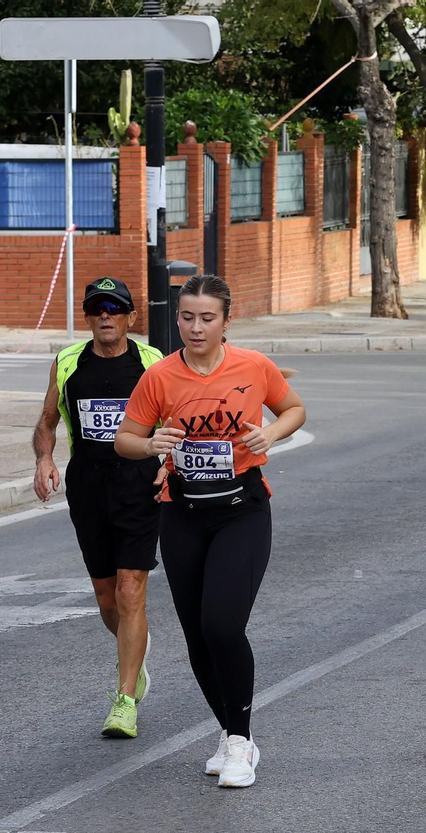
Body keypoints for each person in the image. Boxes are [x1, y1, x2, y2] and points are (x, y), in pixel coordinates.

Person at [114, 274, 307, 789]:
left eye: (206, 318)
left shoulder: (253, 366)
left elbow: (294, 409)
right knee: (198, 635)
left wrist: (270, 432)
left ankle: (241, 742)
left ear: (226, 321)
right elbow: (125, 439)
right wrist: (152, 444)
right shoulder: (160, 376)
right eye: (186, 317)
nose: (195, 327)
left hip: (242, 510)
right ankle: (230, 732)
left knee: (222, 625)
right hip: (181, 514)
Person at [32, 277, 164, 740]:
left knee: (130, 591)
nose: (105, 316)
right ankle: (135, 651)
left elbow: (178, 418)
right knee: (107, 598)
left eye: (115, 308)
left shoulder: (152, 362)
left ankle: (124, 702)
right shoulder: (68, 362)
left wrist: (172, 465)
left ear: (131, 317)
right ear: (87, 317)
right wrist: (44, 459)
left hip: (140, 485)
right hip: (88, 487)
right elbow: (47, 420)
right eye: (96, 309)